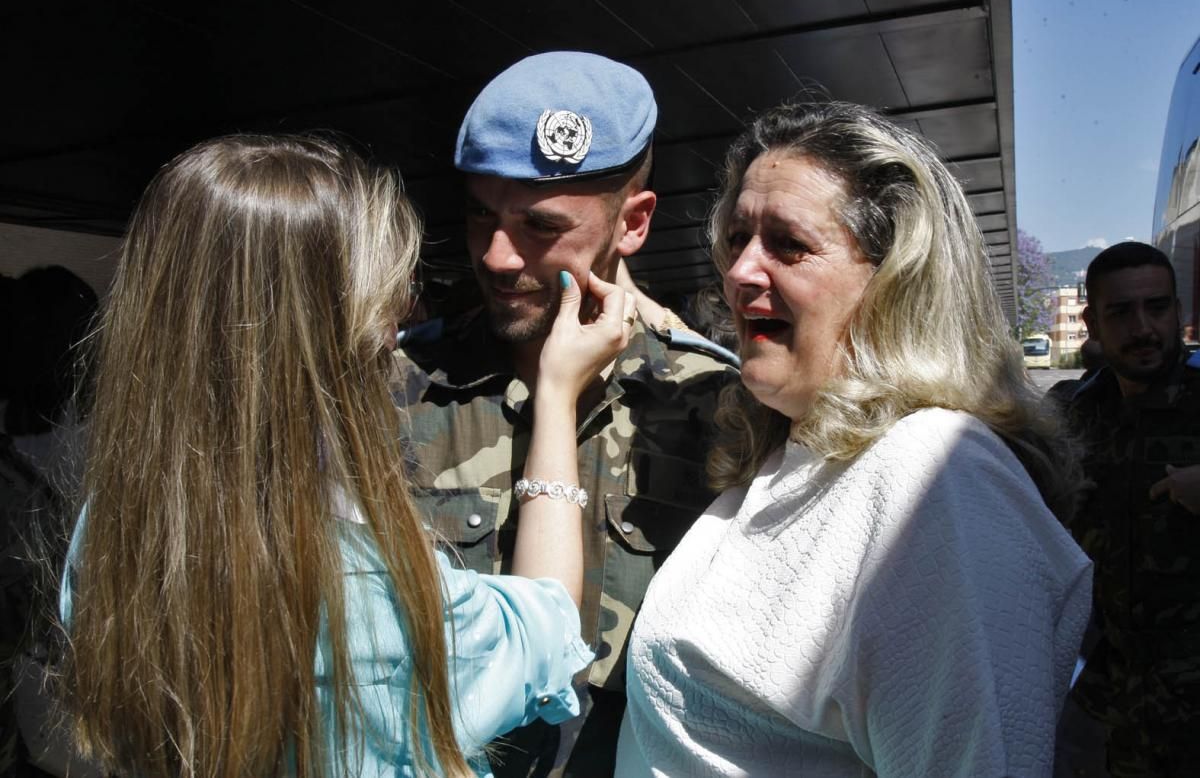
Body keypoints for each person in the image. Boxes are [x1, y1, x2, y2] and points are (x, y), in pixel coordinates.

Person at [58, 133, 638, 778]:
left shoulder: (108, 528)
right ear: (324, 323)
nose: (398, 321)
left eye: (541, 223)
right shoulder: (364, 588)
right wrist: (556, 398)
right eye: (390, 290)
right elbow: (546, 632)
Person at [615, 100, 1093, 776]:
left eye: (788, 244)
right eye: (737, 239)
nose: (740, 272)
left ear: (896, 282)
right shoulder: (796, 448)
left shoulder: (937, 478)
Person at [393, 51, 738, 777]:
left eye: (540, 227)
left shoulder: (720, 406)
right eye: (481, 214)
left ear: (634, 224)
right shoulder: (394, 387)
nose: (495, 255)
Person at [1064, 241, 1200, 776]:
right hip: (1123, 712)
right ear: (1092, 324)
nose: (1144, 328)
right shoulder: (1079, 418)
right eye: (1121, 312)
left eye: (1158, 307)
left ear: (1180, 314)